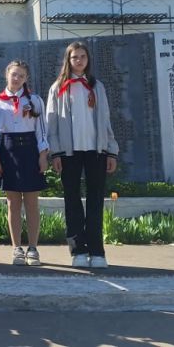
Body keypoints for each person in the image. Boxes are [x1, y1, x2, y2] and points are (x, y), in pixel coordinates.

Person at [46, 41, 119, 269]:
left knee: (96, 200)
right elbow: (52, 123)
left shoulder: (96, 86)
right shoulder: (58, 87)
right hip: (69, 152)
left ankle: (97, 251)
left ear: (88, 60)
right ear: (68, 60)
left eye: (82, 57)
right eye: (74, 57)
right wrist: (55, 152)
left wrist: (111, 151)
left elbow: (105, 119)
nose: (79, 61)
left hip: (96, 151)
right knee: (72, 200)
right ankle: (78, 249)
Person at [0, 61, 49, 266]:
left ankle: (33, 248)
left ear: (26, 79)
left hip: (30, 150)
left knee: (32, 202)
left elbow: (41, 130)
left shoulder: (34, 100)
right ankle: (17, 248)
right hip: (8, 150)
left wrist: (43, 155)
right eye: (14, 74)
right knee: (13, 203)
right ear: (7, 75)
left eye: (21, 76)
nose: (17, 79)